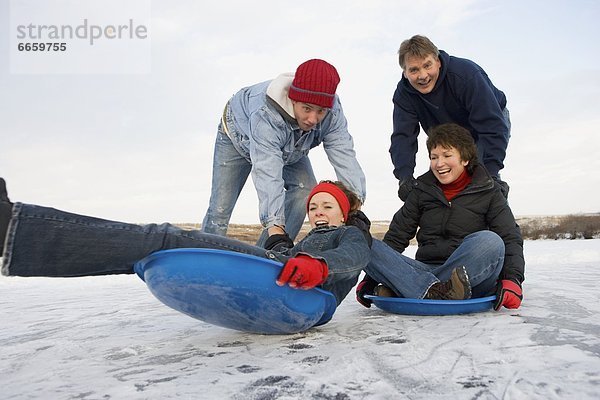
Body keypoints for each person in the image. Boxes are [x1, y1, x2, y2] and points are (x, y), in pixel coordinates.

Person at [0, 178, 370, 306]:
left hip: (308, 297)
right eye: (313, 206)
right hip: (284, 281)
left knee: (168, 237)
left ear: (343, 213)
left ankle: (14, 229)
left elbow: (355, 255)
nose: (318, 211)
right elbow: (291, 259)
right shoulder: (306, 239)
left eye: (327, 206)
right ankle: (22, 240)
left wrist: (319, 265)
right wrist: (280, 245)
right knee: (156, 252)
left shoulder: (348, 233)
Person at [356, 123, 524, 311]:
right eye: (433, 157)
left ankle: (408, 287)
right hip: (425, 268)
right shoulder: (422, 190)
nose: (438, 163)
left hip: (470, 276)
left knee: (491, 242)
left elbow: (510, 238)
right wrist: (371, 278)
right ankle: (431, 289)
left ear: (465, 159)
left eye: (447, 155)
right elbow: (397, 236)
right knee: (363, 243)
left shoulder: (489, 191)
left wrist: (513, 280)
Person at [202, 59, 367, 248]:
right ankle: (203, 260)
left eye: (320, 111)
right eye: (306, 108)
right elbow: (267, 173)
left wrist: (355, 210)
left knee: (305, 189)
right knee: (220, 210)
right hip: (237, 136)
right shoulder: (265, 114)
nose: (313, 119)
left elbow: (344, 154)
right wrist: (275, 228)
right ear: (293, 98)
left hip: (291, 145)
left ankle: (266, 256)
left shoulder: (332, 111)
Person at [391, 35, 511, 200]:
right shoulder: (404, 95)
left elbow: (492, 126)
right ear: (405, 73)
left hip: (485, 125)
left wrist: (491, 172)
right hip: (447, 134)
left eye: (427, 65)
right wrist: (404, 177)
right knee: (443, 180)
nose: (423, 75)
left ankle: (497, 219)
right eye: (414, 70)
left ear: (438, 61)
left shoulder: (466, 75)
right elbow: (403, 137)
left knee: (480, 183)